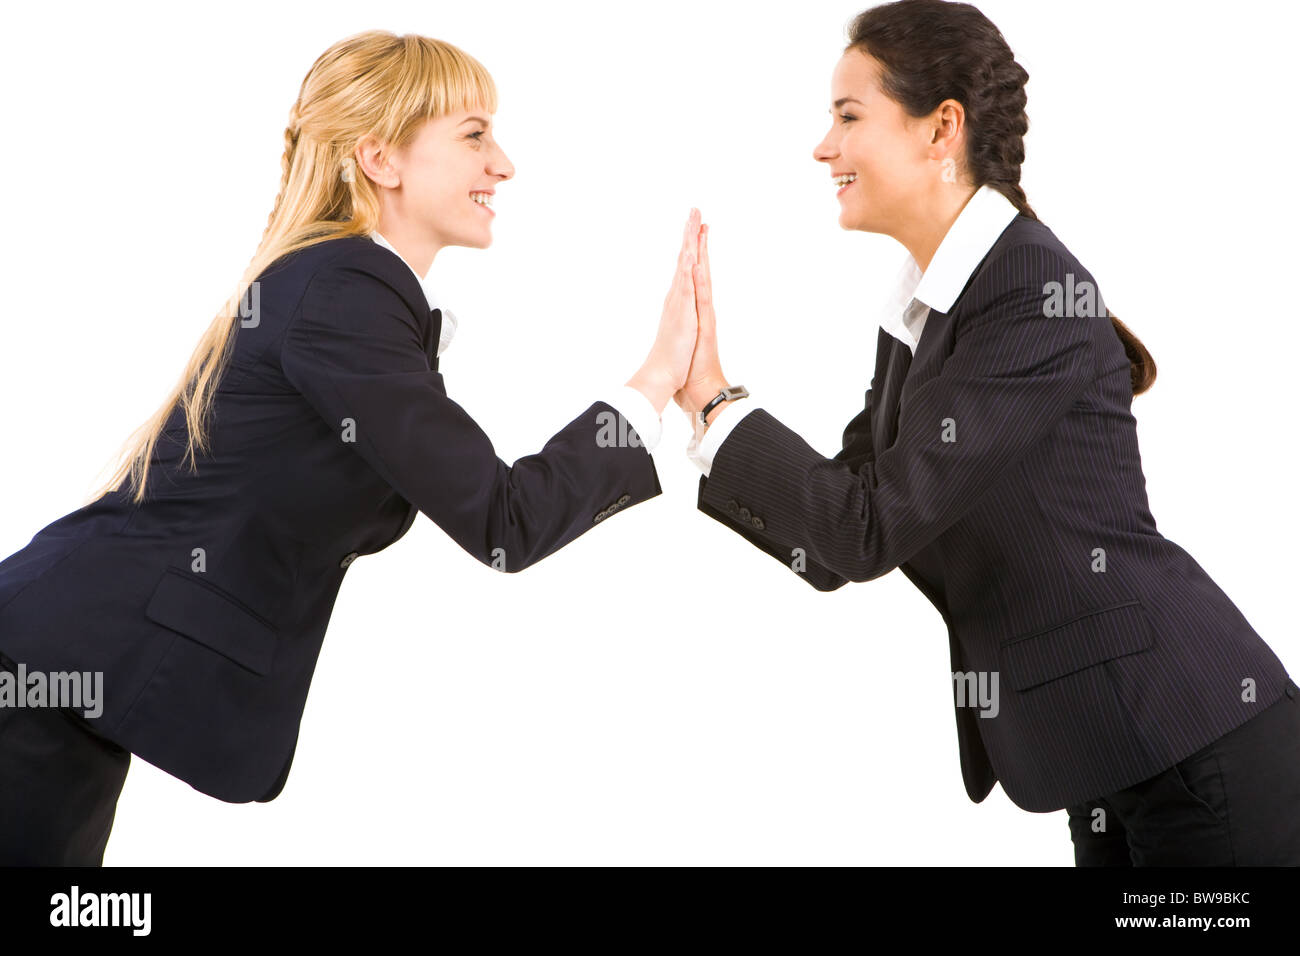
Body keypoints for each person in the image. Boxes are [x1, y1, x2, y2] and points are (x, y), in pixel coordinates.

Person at [0, 29, 703, 865]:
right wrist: (655, 379)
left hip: (62, 674)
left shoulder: (341, 288)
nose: (504, 164)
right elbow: (505, 520)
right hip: (50, 668)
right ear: (380, 158)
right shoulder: (346, 288)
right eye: (474, 135)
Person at [674, 0, 1300, 865]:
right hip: (1107, 765)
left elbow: (867, 530)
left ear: (942, 131)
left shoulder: (1028, 291)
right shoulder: (927, 309)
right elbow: (834, 547)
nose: (824, 146)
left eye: (848, 117)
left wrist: (719, 405)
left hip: (1192, 749)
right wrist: (703, 408)